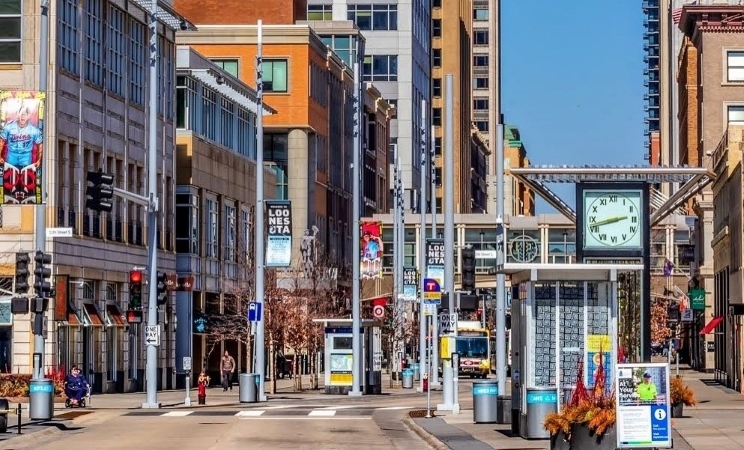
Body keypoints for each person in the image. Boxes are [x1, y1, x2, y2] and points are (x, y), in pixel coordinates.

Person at [0, 102, 43, 169]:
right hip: (12, 155)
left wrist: (39, 160)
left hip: (26, 156)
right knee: (9, 175)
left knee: (25, 176)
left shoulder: (34, 130)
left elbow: (39, 144)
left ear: (28, 116)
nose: (22, 116)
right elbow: (2, 141)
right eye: (21, 114)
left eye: (25, 114)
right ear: (18, 114)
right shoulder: (8, 127)